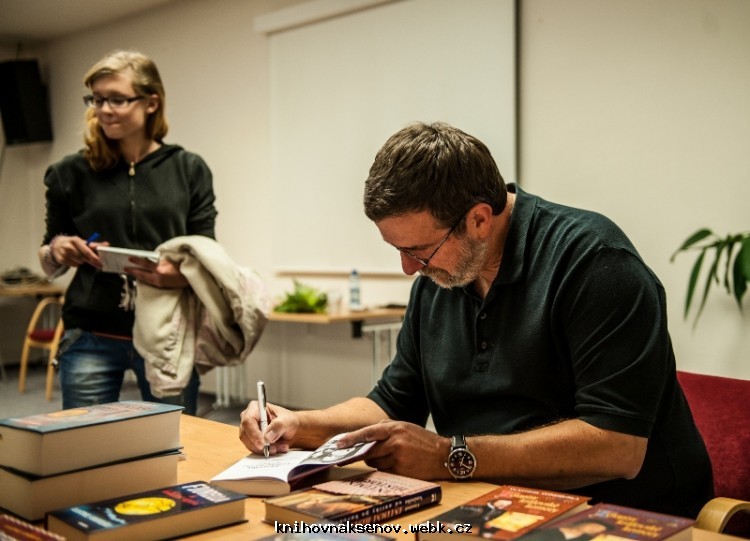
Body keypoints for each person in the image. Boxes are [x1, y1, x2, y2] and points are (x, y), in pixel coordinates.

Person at [240, 122, 712, 517]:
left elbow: (617, 447)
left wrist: (452, 456)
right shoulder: (442, 278)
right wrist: (299, 424)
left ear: (480, 220)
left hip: (624, 514)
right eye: (398, 250)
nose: (408, 269)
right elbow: (394, 401)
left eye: (418, 250)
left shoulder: (596, 265)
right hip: (489, 501)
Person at [38, 50, 217, 415]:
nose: (103, 110)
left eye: (117, 99)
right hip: (90, 334)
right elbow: (47, 257)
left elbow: (206, 255)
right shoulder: (69, 172)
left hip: (167, 334)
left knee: (172, 442)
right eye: (96, 99)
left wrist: (175, 275)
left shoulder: (188, 169)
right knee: (83, 442)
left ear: (151, 102)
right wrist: (58, 249)